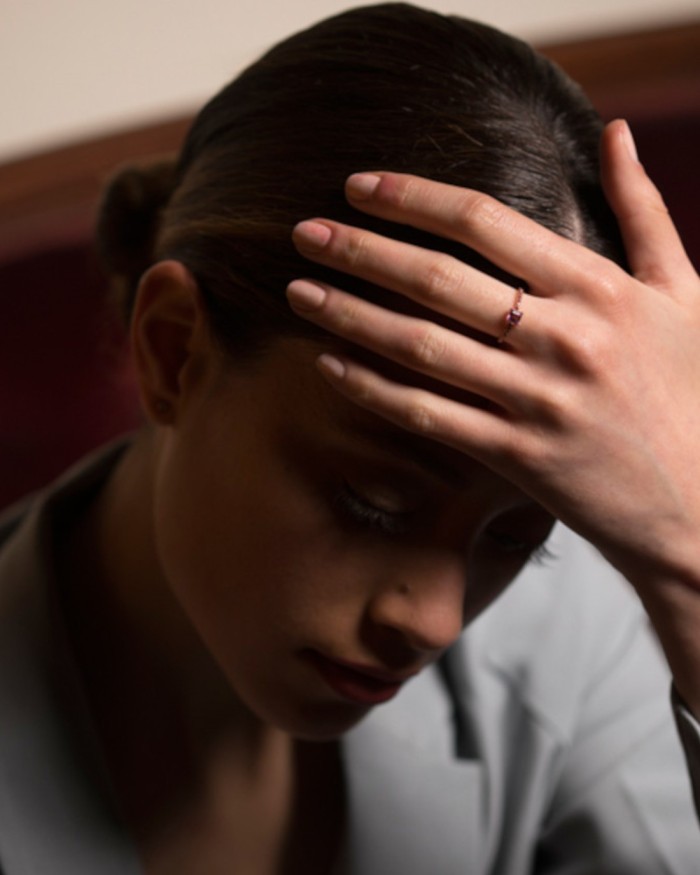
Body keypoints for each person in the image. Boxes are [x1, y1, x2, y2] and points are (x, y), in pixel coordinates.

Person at [0, 3, 698, 873]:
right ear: (174, 351)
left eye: (518, 537)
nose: (435, 619)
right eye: (374, 503)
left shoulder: (573, 632)